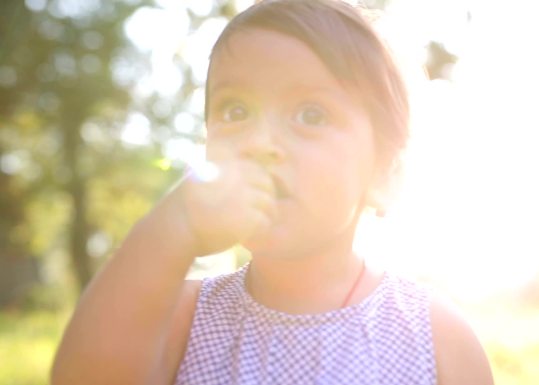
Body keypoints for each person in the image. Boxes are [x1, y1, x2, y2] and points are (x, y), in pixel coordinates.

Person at [51, 1, 493, 384]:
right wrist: (170, 231)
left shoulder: (432, 336)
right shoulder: (185, 318)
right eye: (236, 110)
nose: (260, 141)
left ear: (384, 175)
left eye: (311, 114)